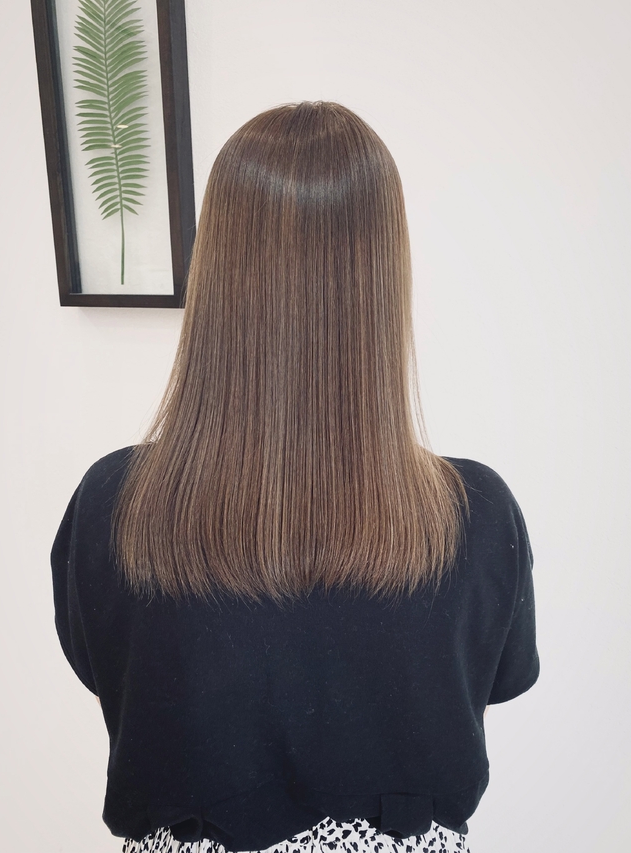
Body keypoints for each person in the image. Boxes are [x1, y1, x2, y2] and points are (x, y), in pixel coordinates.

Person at [50, 100, 539, 853]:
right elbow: (498, 680)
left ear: (216, 268)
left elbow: (103, 670)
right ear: (384, 276)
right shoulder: (475, 517)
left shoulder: (116, 505)